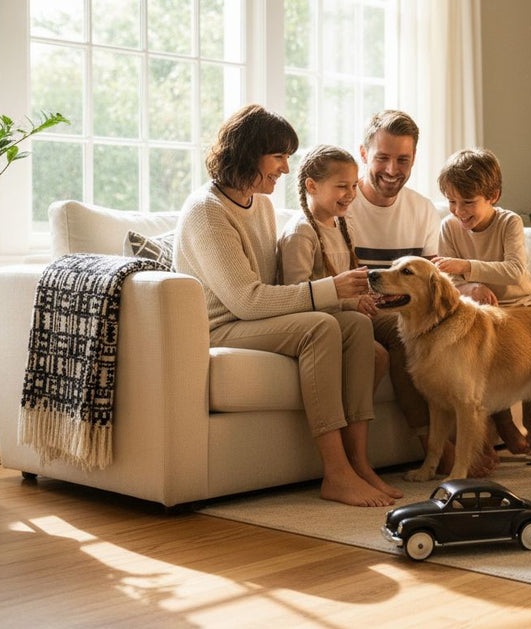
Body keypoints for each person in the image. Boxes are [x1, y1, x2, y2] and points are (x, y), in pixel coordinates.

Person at [174, 105, 394, 507]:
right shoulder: (207, 212)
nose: (286, 169)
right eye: (279, 157)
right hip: (222, 326)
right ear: (250, 153)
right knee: (320, 327)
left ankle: (359, 463)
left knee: (357, 327)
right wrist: (332, 289)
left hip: (256, 319)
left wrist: (344, 298)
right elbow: (246, 300)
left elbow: (271, 288)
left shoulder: (261, 204)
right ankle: (337, 473)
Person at [347, 110, 493, 477]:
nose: (392, 170)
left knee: (480, 320)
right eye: (382, 158)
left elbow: (432, 280)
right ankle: (437, 446)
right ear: (364, 156)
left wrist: (468, 287)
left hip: (405, 308)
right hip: (360, 308)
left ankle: (494, 436)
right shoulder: (344, 205)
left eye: (403, 160)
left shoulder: (423, 210)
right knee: (403, 336)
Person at [277, 143, 402, 501]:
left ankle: (359, 461)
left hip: (345, 313)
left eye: (353, 185)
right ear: (312, 186)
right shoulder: (301, 232)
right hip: (320, 317)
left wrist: (368, 296)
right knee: (374, 353)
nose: (350, 194)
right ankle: (354, 462)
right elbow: (296, 294)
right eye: (341, 186)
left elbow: (348, 279)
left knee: (397, 335)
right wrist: (350, 302)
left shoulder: (341, 224)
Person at [432, 148, 531, 459]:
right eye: (451, 202)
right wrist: (471, 285)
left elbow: (514, 270)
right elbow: (447, 282)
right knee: (484, 364)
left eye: (467, 202)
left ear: (493, 195)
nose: (459, 211)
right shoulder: (448, 227)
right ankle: (504, 423)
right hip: (479, 311)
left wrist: (465, 267)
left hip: (520, 307)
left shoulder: (508, 223)